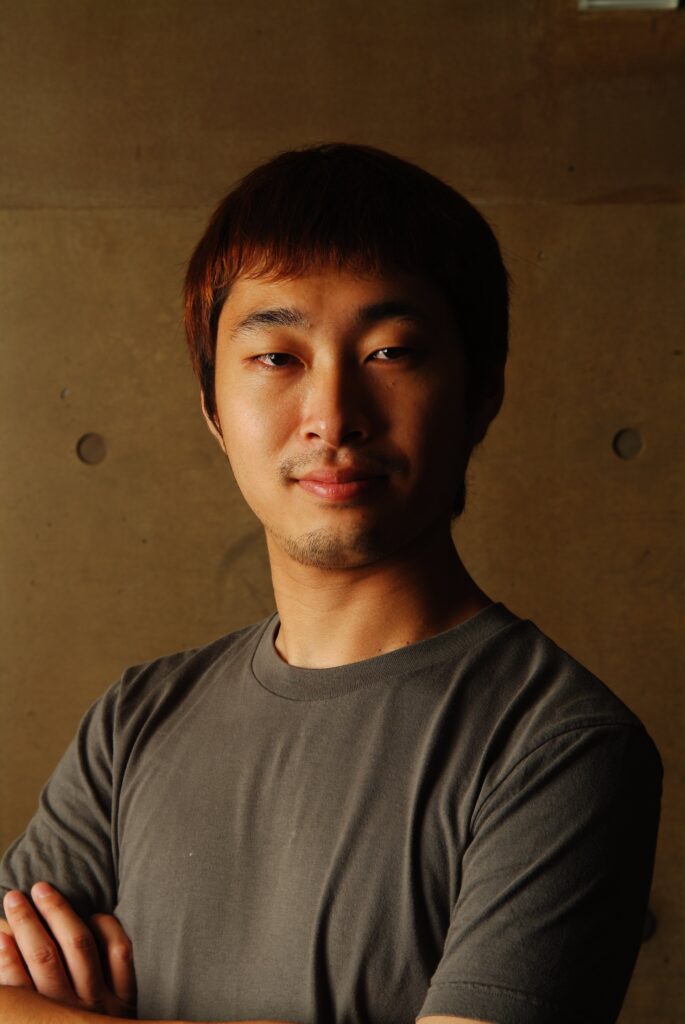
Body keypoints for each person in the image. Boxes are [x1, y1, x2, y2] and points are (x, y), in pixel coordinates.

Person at [0, 143, 662, 1024]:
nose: (333, 417)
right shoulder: (134, 722)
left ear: (480, 394)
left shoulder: (558, 746)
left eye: (390, 352)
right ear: (212, 408)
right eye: (277, 358)